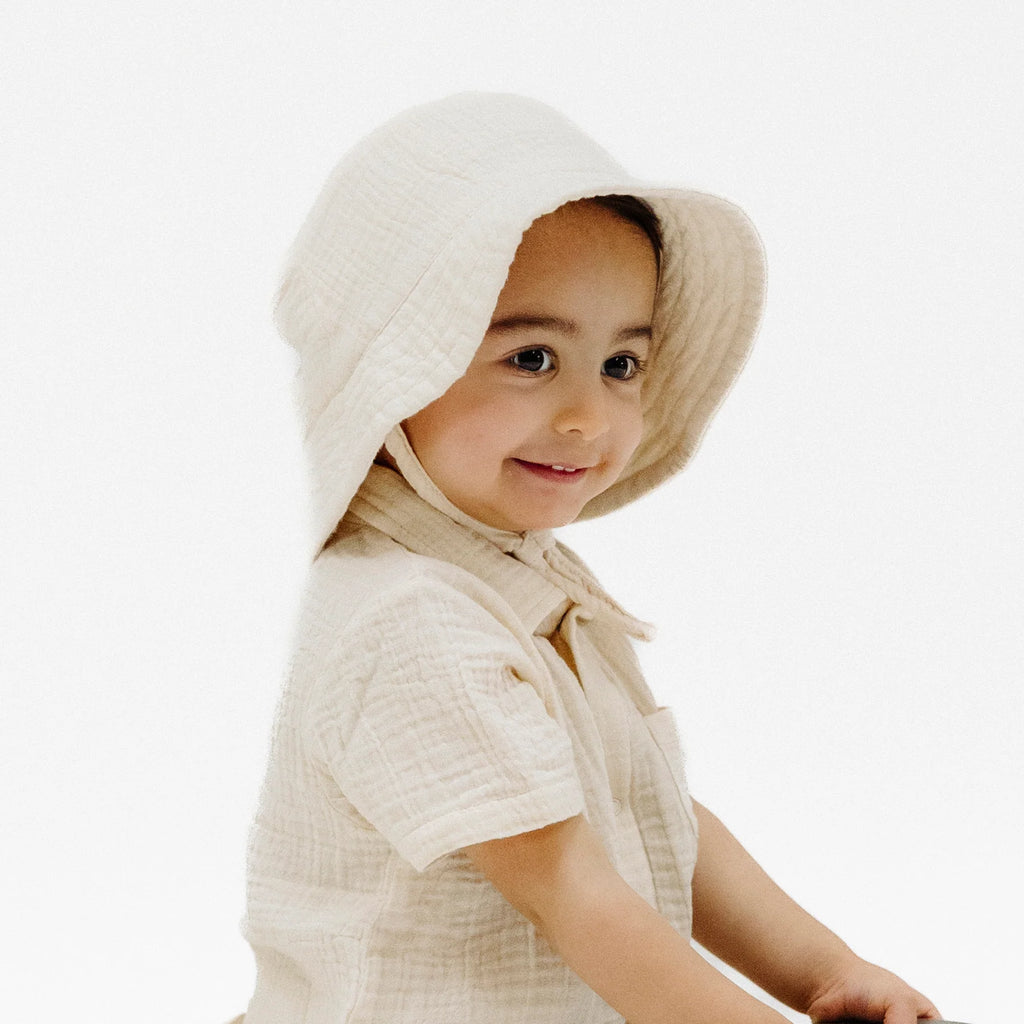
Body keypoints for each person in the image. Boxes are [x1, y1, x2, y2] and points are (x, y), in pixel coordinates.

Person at [239, 92, 941, 1024]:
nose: (588, 417)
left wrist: (825, 974)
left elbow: (656, 819)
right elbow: (573, 891)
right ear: (391, 374)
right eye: (532, 358)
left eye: (621, 366)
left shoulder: (522, 585)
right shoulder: (411, 622)